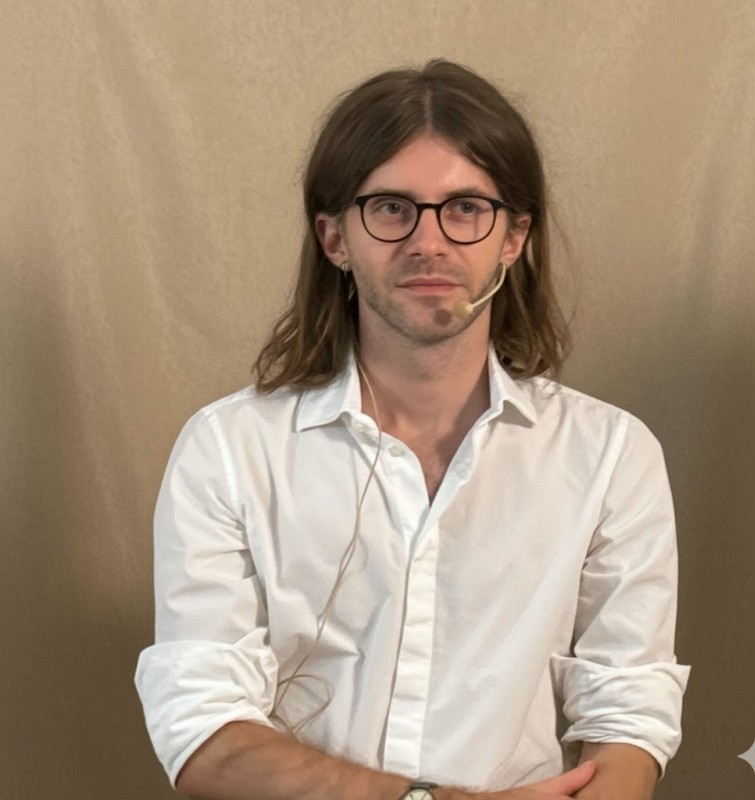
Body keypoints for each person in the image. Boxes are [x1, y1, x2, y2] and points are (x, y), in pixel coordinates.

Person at [135, 60, 690, 800]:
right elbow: (201, 733)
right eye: (392, 208)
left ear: (514, 236)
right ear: (334, 238)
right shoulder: (228, 451)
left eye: (466, 208)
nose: (429, 241)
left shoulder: (612, 455)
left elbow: (630, 710)